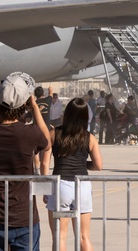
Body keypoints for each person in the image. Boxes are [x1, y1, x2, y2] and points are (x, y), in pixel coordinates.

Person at [0, 72, 50, 251]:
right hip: (24, 217)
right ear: (24, 104)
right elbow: (46, 142)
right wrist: (35, 106)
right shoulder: (30, 134)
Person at [40, 98, 103, 251]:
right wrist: (83, 163)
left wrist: (45, 187)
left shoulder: (55, 133)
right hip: (82, 185)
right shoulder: (89, 137)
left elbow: (44, 162)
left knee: (60, 235)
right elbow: (98, 165)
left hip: (61, 184)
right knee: (83, 236)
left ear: (66, 113)